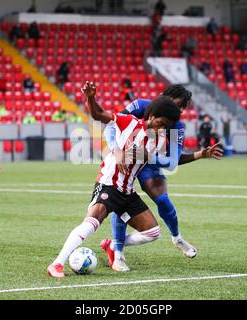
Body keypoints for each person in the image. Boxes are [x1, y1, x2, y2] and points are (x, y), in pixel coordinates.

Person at [46, 82, 182, 277]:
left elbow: (167, 160)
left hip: (127, 190)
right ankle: (56, 264)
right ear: (151, 116)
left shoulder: (161, 140)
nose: (162, 129)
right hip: (109, 183)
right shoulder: (129, 123)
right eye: (161, 124)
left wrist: (200, 154)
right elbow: (98, 115)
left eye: (166, 127)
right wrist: (91, 97)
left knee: (152, 233)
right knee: (91, 223)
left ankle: (112, 245)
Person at [101, 85, 223, 271]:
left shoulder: (177, 125)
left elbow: (172, 161)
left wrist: (197, 155)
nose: (181, 111)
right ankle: (117, 253)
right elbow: (111, 126)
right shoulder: (141, 106)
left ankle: (177, 238)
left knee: (163, 201)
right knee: (122, 200)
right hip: (125, 158)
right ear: (164, 97)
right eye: (179, 105)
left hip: (149, 163)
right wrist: (116, 148)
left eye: (184, 107)